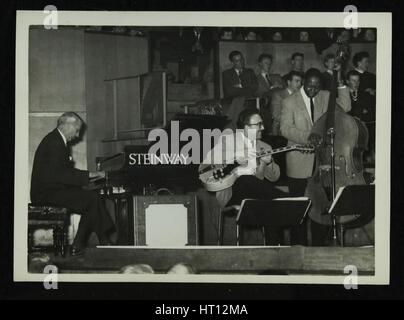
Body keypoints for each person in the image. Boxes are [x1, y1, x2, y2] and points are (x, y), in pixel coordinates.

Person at [280, 68, 351, 245]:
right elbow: (285, 129)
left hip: (322, 161)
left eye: (317, 87)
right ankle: (298, 247)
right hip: (298, 162)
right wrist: (308, 137)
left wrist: (341, 83)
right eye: (310, 86)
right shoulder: (290, 101)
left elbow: (346, 106)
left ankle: (319, 246)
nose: (313, 90)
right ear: (303, 82)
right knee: (299, 208)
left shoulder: (325, 96)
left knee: (320, 207)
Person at [30, 112, 114, 256]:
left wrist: (87, 179)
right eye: (77, 130)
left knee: (92, 199)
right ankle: (97, 240)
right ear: (67, 125)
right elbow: (60, 175)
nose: (77, 135)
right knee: (92, 199)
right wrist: (90, 175)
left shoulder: (56, 141)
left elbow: (62, 174)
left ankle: (88, 242)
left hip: (53, 191)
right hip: (46, 194)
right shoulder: (54, 142)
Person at [346, 70, 375, 164]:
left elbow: (370, 114)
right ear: (347, 81)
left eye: (358, 81)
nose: (356, 83)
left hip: (362, 132)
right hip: (347, 132)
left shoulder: (366, 95)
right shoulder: (342, 94)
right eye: (353, 80)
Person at [270, 71, 303, 136]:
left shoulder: (301, 96)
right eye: (296, 81)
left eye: (300, 82)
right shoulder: (278, 95)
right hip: (281, 131)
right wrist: (296, 121)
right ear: (289, 82)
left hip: (298, 130)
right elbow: (276, 115)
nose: (299, 84)